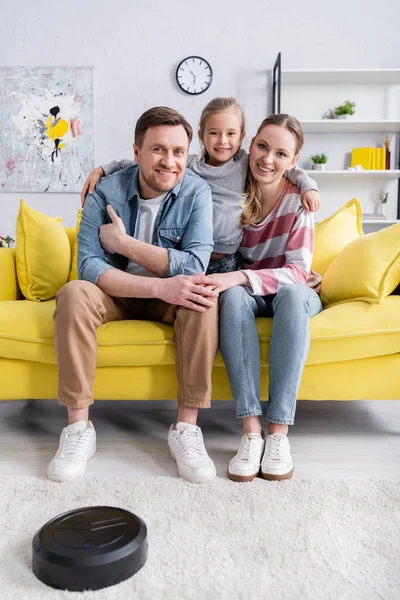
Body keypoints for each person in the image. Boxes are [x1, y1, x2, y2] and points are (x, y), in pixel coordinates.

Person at [47, 106, 221, 484]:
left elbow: (194, 267)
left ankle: (186, 429)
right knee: (74, 293)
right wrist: (160, 284)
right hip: (117, 295)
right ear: (137, 151)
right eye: (158, 149)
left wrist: (124, 244)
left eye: (178, 152)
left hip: (171, 301)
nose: (169, 162)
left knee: (203, 297)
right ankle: (79, 430)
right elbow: (89, 267)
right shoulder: (105, 189)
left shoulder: (197, 192)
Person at [205, 114, 323, 482]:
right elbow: (168, 162)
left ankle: (278, 433)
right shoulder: (237, 182)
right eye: (262, 146)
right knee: (234, 298)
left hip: (297, 293)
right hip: (254, 292)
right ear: (249, 144)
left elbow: (299, 272)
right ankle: (251, 431)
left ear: (293, 162)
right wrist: (105, 168)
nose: (267, 159)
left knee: (288, 294)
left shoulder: (299, 201)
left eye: (280, 153)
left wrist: (239, 275)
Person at [82, 98, 321, 278]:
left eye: (231, 134)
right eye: (214, 133)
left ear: (242, 138)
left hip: (226, 260)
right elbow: (143, 162)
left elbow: (287, 166)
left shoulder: (245, 163)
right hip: (188, 252)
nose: (222, 141)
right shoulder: (191, 165)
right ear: (201, 136)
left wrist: (308, 186)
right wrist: (104, 169)